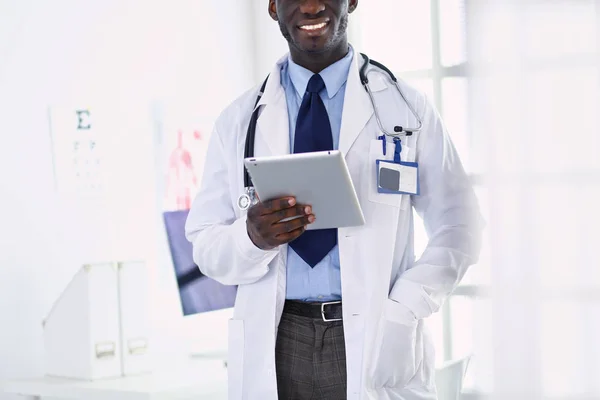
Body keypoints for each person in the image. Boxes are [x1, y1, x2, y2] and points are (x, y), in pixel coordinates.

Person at [185, 0, 483, 398]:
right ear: (273, 7)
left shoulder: (406, 109)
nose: (311, 6)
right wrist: (251, 237)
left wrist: (407, 305)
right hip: (277, 342)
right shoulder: (239, 120)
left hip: (374, 330)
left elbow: (461, 227)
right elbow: (205, 246)